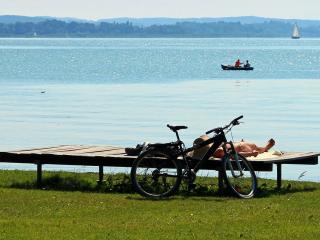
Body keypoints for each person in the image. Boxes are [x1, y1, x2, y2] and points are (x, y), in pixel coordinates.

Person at [190, 135, 275, 159]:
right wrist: (250, 154)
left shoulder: (214, 147)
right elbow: (233, 155)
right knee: (256, 148)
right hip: (242, 148)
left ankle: (265, 148)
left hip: (238, 145)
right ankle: (265, 148)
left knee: (255, 147)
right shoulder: (218, 152)